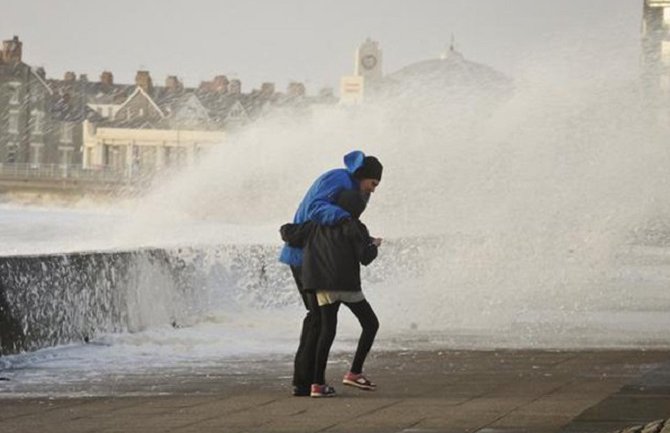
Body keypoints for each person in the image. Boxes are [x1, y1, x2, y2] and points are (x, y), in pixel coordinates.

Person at [279, 150, 383, 397]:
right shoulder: (338, 179)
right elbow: (317, 208)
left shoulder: (350, 188)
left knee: (318, 320)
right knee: (319, 321)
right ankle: (307, 383)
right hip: (308, 258)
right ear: (363, 176)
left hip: (316, 256)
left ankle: (307, 383)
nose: (373, 190)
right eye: (373, 183)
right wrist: (348, 221)